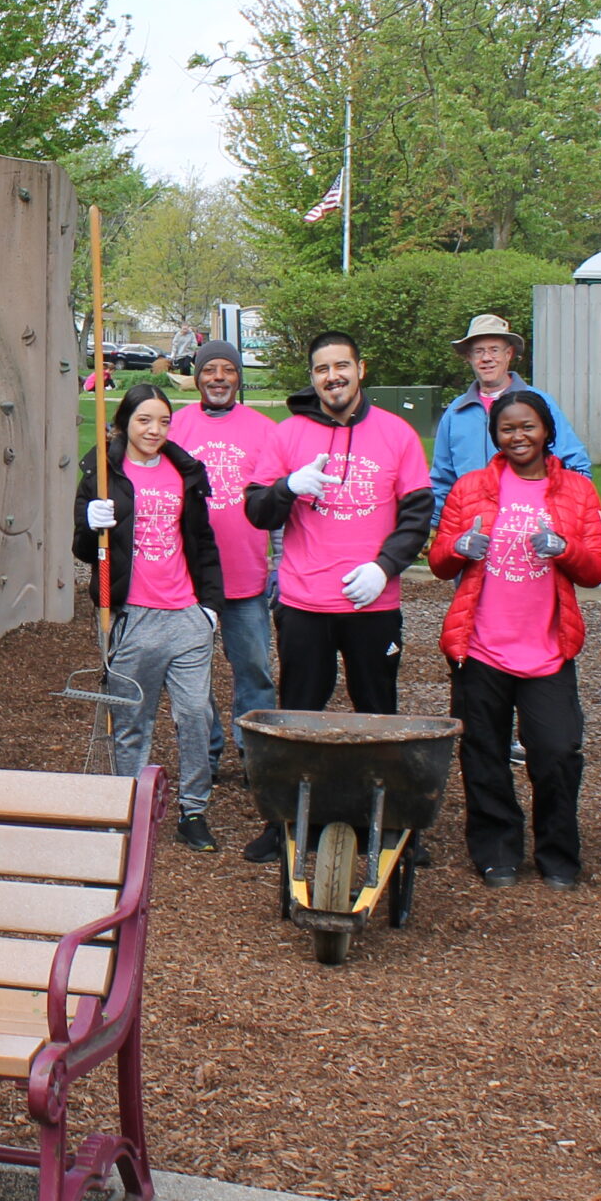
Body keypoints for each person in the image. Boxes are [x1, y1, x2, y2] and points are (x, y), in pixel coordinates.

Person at [239, 331, 433, 862]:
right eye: (322, 369)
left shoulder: (397, 435)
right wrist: (286, 488)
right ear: (313, 377)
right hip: (305, 604)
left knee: (379, 715)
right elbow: (257, 512)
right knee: (298, 716)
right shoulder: (288, 436)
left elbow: (418, 515)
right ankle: (285, 826)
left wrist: (384, 566)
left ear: (360, 368)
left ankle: (394, 828)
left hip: (374, 604)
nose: (333, 378)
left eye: (342, 366)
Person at [429, 389, 601, 889]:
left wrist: (566, 548)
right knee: (483, 755)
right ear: (496, 436)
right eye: (507, 428)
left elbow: (597, 569)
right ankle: (497, 851)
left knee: (556, 752)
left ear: (547, 431)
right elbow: (440, 560)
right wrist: (459, 546)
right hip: (481, 645)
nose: (518, 436)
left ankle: (557, 854)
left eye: (527, 426)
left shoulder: (577, 491)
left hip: (547, 649)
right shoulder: (471, 489)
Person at [73, 384, 226, 848]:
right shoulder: (103, 474)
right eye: (144, 420)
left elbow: (203, 543)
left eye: (163, 421)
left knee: (196, 714)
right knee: (132, 720)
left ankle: (193, 812)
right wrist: (90, 521)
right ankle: (131, 810)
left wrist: (210, 610)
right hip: (132, 614)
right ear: (124, 423)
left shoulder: (184, 472)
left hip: (185, 615)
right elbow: (83, 549)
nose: (154, 430)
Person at [167, 339, 279, 771]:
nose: (218, 378)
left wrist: (281, 565)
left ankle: (256, 755)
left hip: (246, 577)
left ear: (238, 377)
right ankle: (205, 755)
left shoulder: (265, 429)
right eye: (210, 370)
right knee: (193, 678)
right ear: (197, 377)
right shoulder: (175, 426)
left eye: (227, 370)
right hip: (188, 578)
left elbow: (277, 504)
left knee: (253, 669)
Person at [430, 314, 591, 521]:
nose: (486, 358)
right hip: (470, 527)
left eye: (494, 350)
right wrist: (434, 524)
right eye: (479, 351)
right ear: (468, 358)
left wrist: (569, 516)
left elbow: (575, 465)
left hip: (530, 523)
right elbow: (442, 477)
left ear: (509, 354)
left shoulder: (538, 403)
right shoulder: (455, 412)